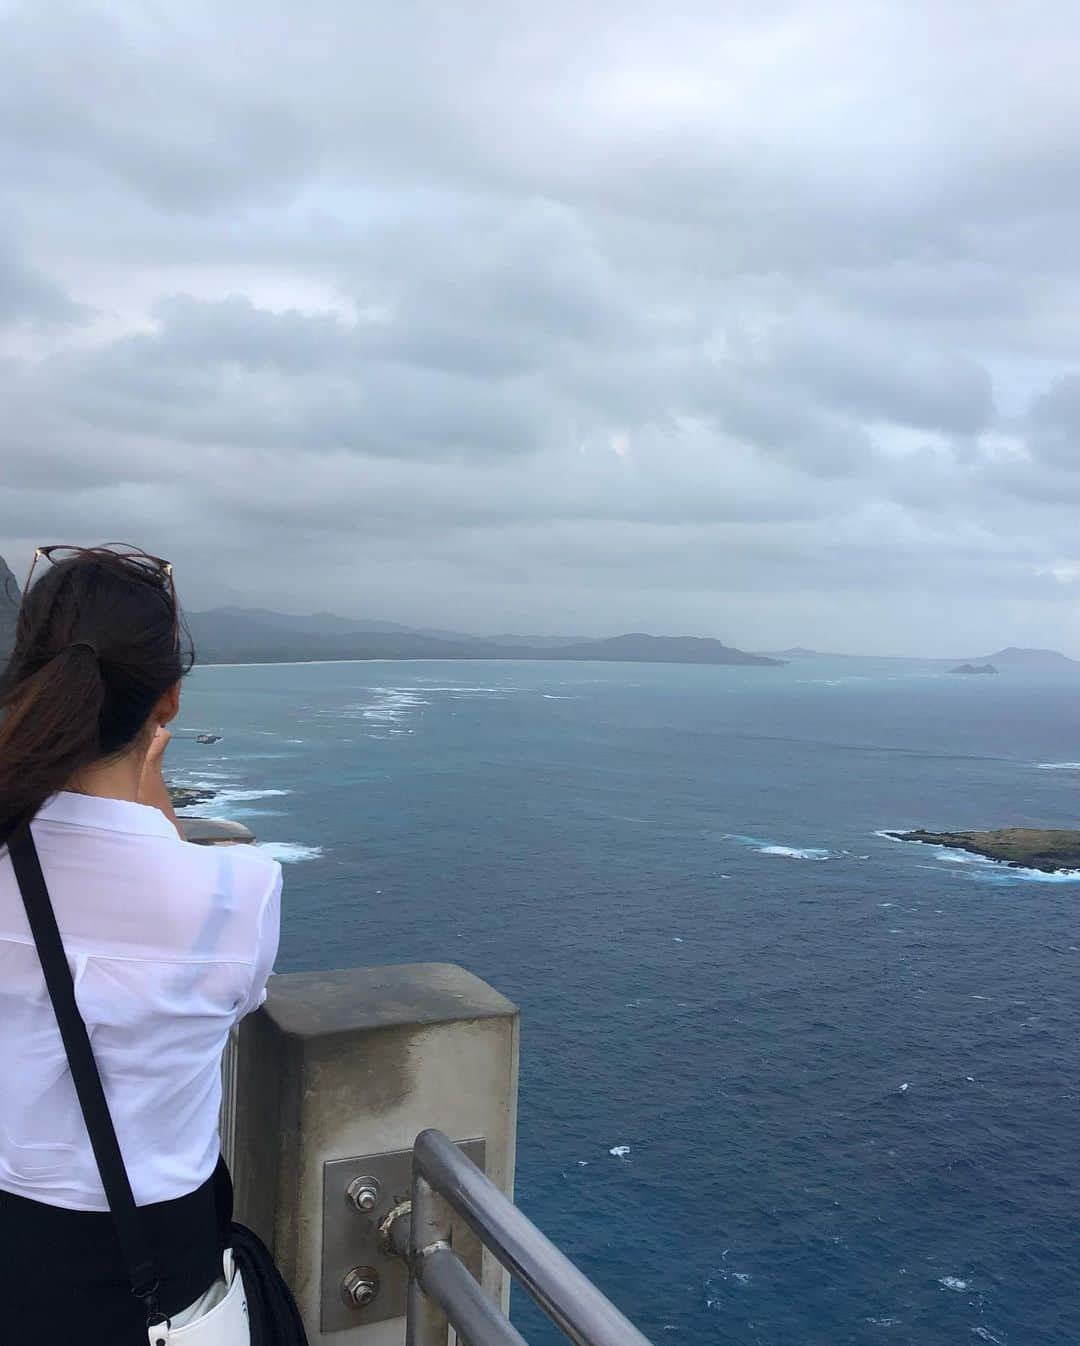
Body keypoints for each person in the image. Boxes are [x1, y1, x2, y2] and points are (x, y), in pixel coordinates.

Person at [0, 545, 282, 1345]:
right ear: (170, 701)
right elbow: (241, 998)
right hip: (160, 1267)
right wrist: (149, 797)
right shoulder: (240, 890)